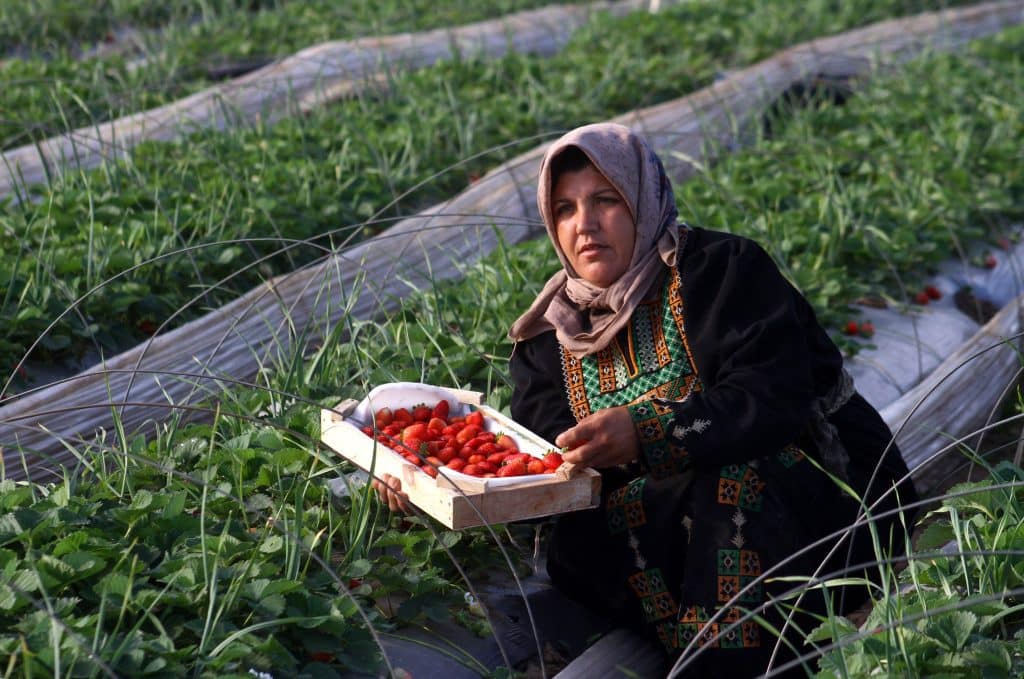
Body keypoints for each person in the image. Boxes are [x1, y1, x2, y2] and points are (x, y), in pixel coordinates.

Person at [377, 122, 919, 677]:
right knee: (597, 532)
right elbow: (544, 471)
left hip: (813, 509)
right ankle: (703, 647)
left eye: (605, 199)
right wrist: (435, 483)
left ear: (643, 197)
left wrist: (649, 430)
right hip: (664, 540)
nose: (583, 224)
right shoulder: (547, 340)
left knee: (726, 483)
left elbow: (770, 398)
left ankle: (728, 663)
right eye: (564, 209)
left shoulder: (721, 271)